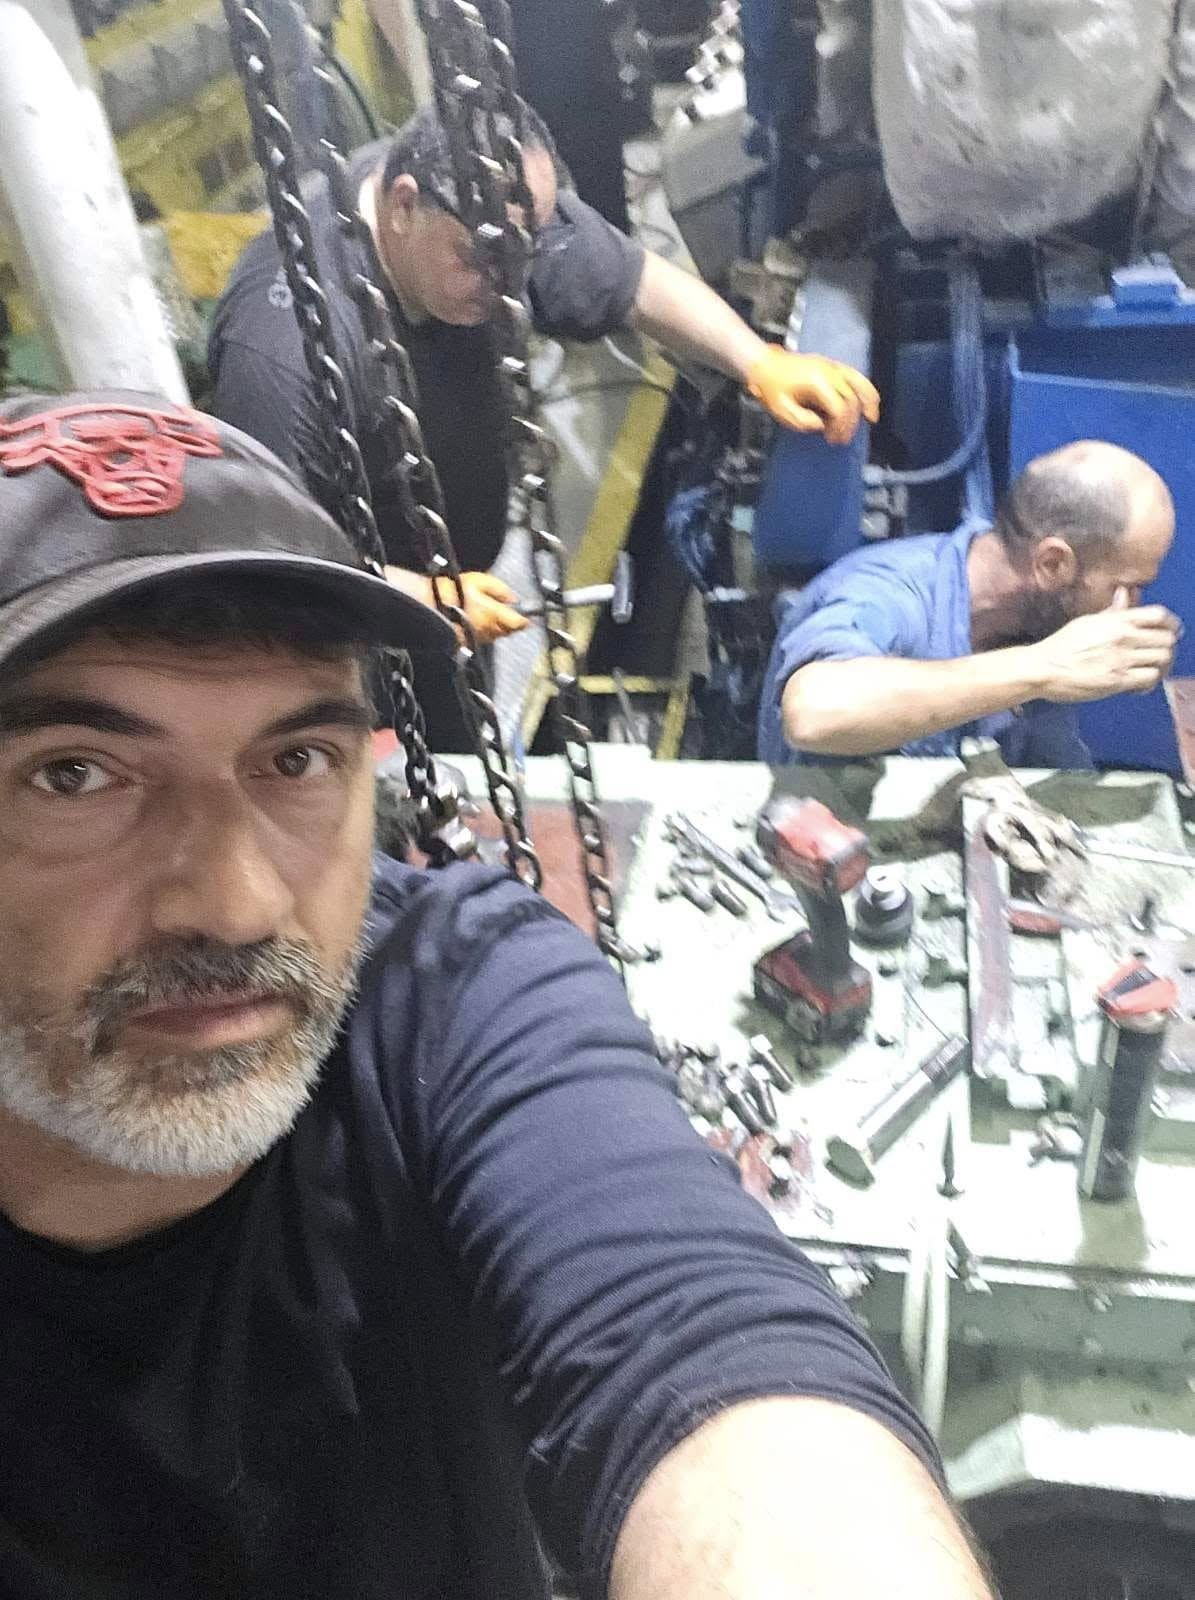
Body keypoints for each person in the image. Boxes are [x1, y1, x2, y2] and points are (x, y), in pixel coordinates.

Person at [0, 391, 993, 1600]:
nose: (238, 902)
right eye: (74, 775)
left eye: (298, 759)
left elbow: (702, 1344)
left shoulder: (452, 993)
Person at [209, 100, 878, 746]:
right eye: (480, 263)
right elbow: (274, 568)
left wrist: (758, 362)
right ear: (404, 205)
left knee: (466, 738)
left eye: (521, 259)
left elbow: (632, 279)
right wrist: (417, 597)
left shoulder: (490, 211)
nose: (508, 288)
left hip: (455, 596)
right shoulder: (285, 348)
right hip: (343, 633)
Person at [758, 440, 1179, 767]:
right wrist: (1044, 667)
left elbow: (1059, 773)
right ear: (1053, 564)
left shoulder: (1038, 621)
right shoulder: (889, 593)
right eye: (1127, 587)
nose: (1128, 608)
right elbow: (813, 711)